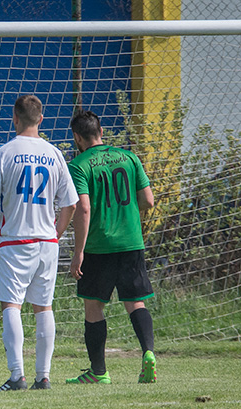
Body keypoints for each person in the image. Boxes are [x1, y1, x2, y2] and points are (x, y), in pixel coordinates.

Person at [0, 95, 78, 391]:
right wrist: (56, 234)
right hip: (47, 242)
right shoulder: (55, 154)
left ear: (15, 118)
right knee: (44, 307)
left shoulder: (6, 152)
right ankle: (43, 377)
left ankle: (16, 375)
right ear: (41, 119)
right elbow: (71, 204)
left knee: (12, 305)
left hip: (14, 242)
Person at [66, 110, 157, 385]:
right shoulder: (129, 158)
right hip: (131, 242)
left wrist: (78, 252)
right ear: (101, 132)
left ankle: (99, 371)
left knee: (94, 307)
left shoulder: (79, 165)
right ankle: (149, 353)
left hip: (99, 245)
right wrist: (125, 210)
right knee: (135, 302)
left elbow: (83, 208)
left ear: (77, 137)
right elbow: (149, 201)